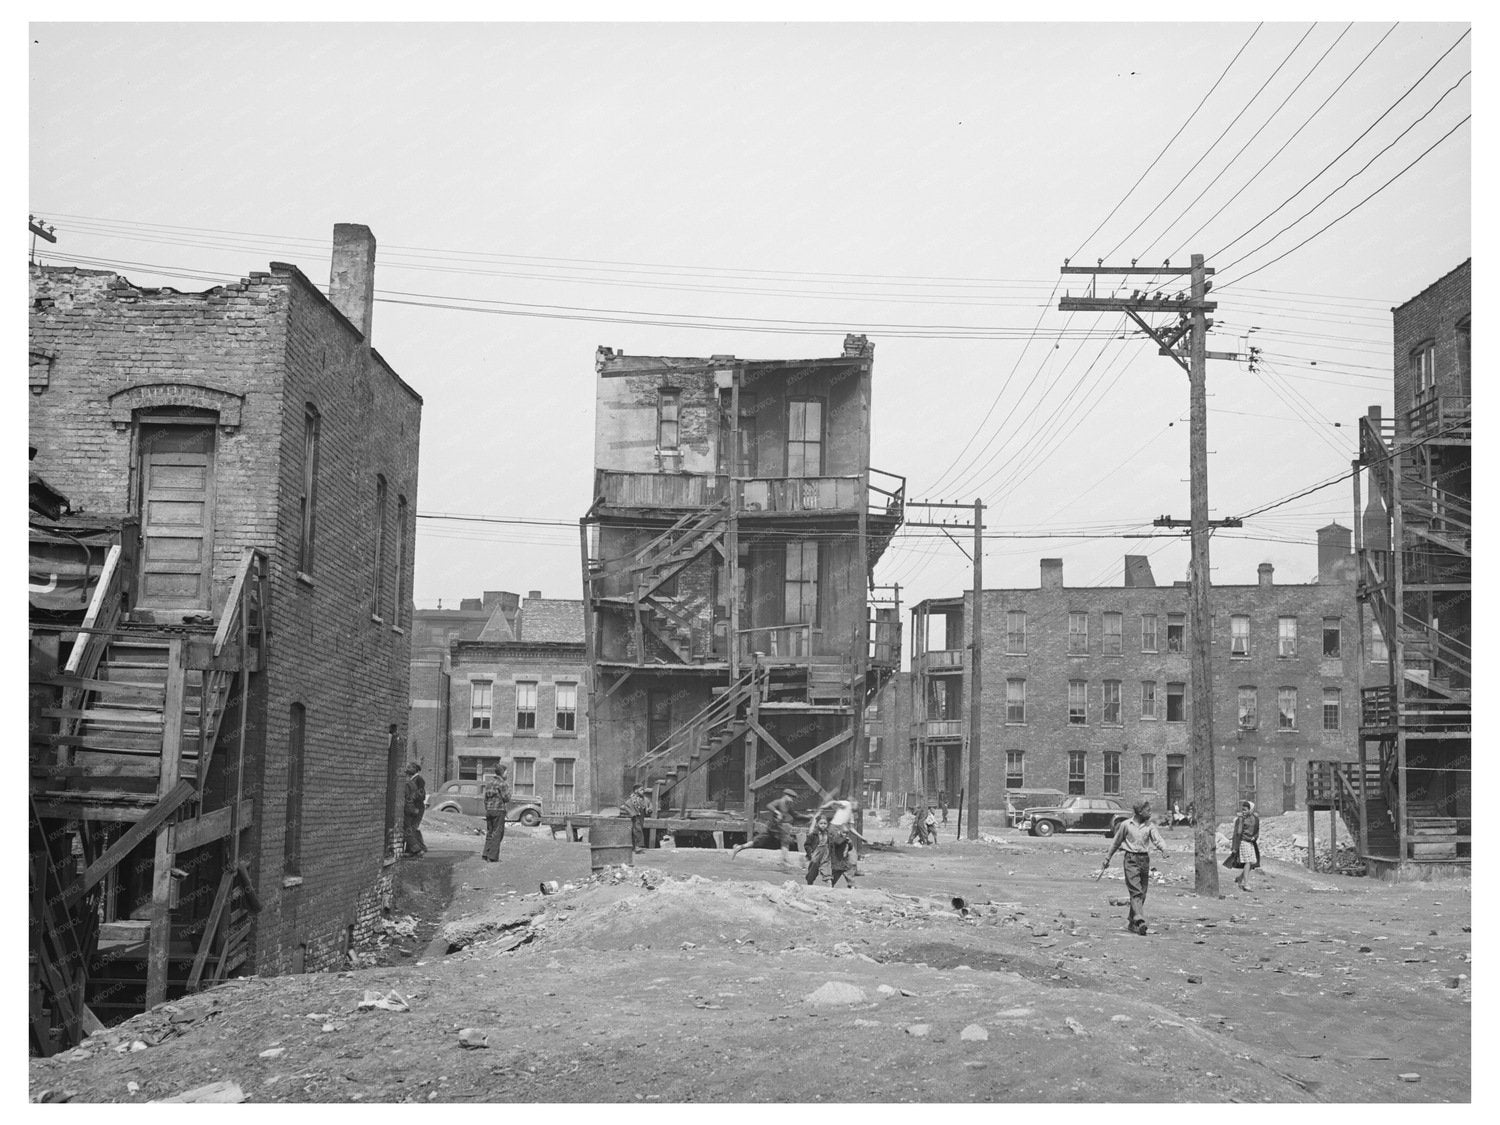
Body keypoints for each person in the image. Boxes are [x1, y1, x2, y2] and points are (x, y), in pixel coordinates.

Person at [1101, 799, 1169, 935]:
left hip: (1144, 860)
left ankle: (1132, 922)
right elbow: (1115, 843)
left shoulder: (1150, 826)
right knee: (1136, 892)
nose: (1150, 813)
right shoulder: (1126, 825)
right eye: (1147, 810)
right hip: (1130, 859)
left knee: (1142, 894)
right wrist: (1107, 858)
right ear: (1139, 811)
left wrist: (1164, 849)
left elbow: (1157, 839)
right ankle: (1139, 920)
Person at [731, 788, 797, 867]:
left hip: (775, 828)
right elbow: (769, 805)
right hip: (774, 827)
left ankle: (740, 847)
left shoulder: (787, 806)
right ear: (786, 796)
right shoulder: (779, 802)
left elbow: (794, 814)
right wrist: (777, 812)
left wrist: (807, 818)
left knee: (758, 841)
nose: (792, 800)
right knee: (785, 839)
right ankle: (784, 860)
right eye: (791, 797)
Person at [804, 814, 855, 887]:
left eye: (825, 823)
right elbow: (807, 845)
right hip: (816, 853)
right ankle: (810, 882)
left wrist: (845, 841)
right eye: (821, 823)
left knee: (827, 869)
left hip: (826, 854)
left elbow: (836, 843)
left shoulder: (829, 834)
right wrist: (810, 853)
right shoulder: (813, 835)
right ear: (817, 824)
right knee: (813, 869)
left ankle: (829, 884)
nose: (823, 825)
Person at [481, 766, 511, 862]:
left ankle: (486, 854)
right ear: (502, 773)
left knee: (490, 832)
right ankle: (492, 857)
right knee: (497, 833)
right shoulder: (502, 784)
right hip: (499, 811)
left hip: (489, 811)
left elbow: (485, 798)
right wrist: (509, 793)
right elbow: (506, 798)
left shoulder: (489, 783)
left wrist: (487, 808)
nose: (507, 774)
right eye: (506, 772)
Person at [1230, 800, 1261, 890]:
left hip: (1251, 842)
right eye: (1242, 809)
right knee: (1248, 862)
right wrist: (1234, 847)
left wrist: (1255, 837)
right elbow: (1236, 833)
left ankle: (1240, 878)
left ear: (1250, 810)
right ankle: (1246, 884)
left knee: (1253, 862)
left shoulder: (1255, 819)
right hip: (1243, 842)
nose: (1243, 811)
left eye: (1245, 810)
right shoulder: (1240, 819)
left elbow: (1257, 830)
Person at [402, 762, 427, 857]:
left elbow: (421, 795)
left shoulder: (417, 780)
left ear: (414, 769)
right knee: (412, 829)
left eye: (409, 767)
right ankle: (413, 850)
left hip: (415, 807)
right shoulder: (412, 781)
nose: (407, 769)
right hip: (413, 807)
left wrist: (413, 805)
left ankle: (418, 849)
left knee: (410, 829)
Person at [622, 784, 650, 852]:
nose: (643, 791)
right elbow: (626, 806)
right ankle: (637, 846)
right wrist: (632, 813)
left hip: (641, 816)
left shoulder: (644, 799)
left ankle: (634, 846)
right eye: (641, 790)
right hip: (635, 816)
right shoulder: (631, 799)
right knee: (638, 830)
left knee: (638, 829)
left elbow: (649, 804)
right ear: (636, 791)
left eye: (643, 790)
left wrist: (649, 809)